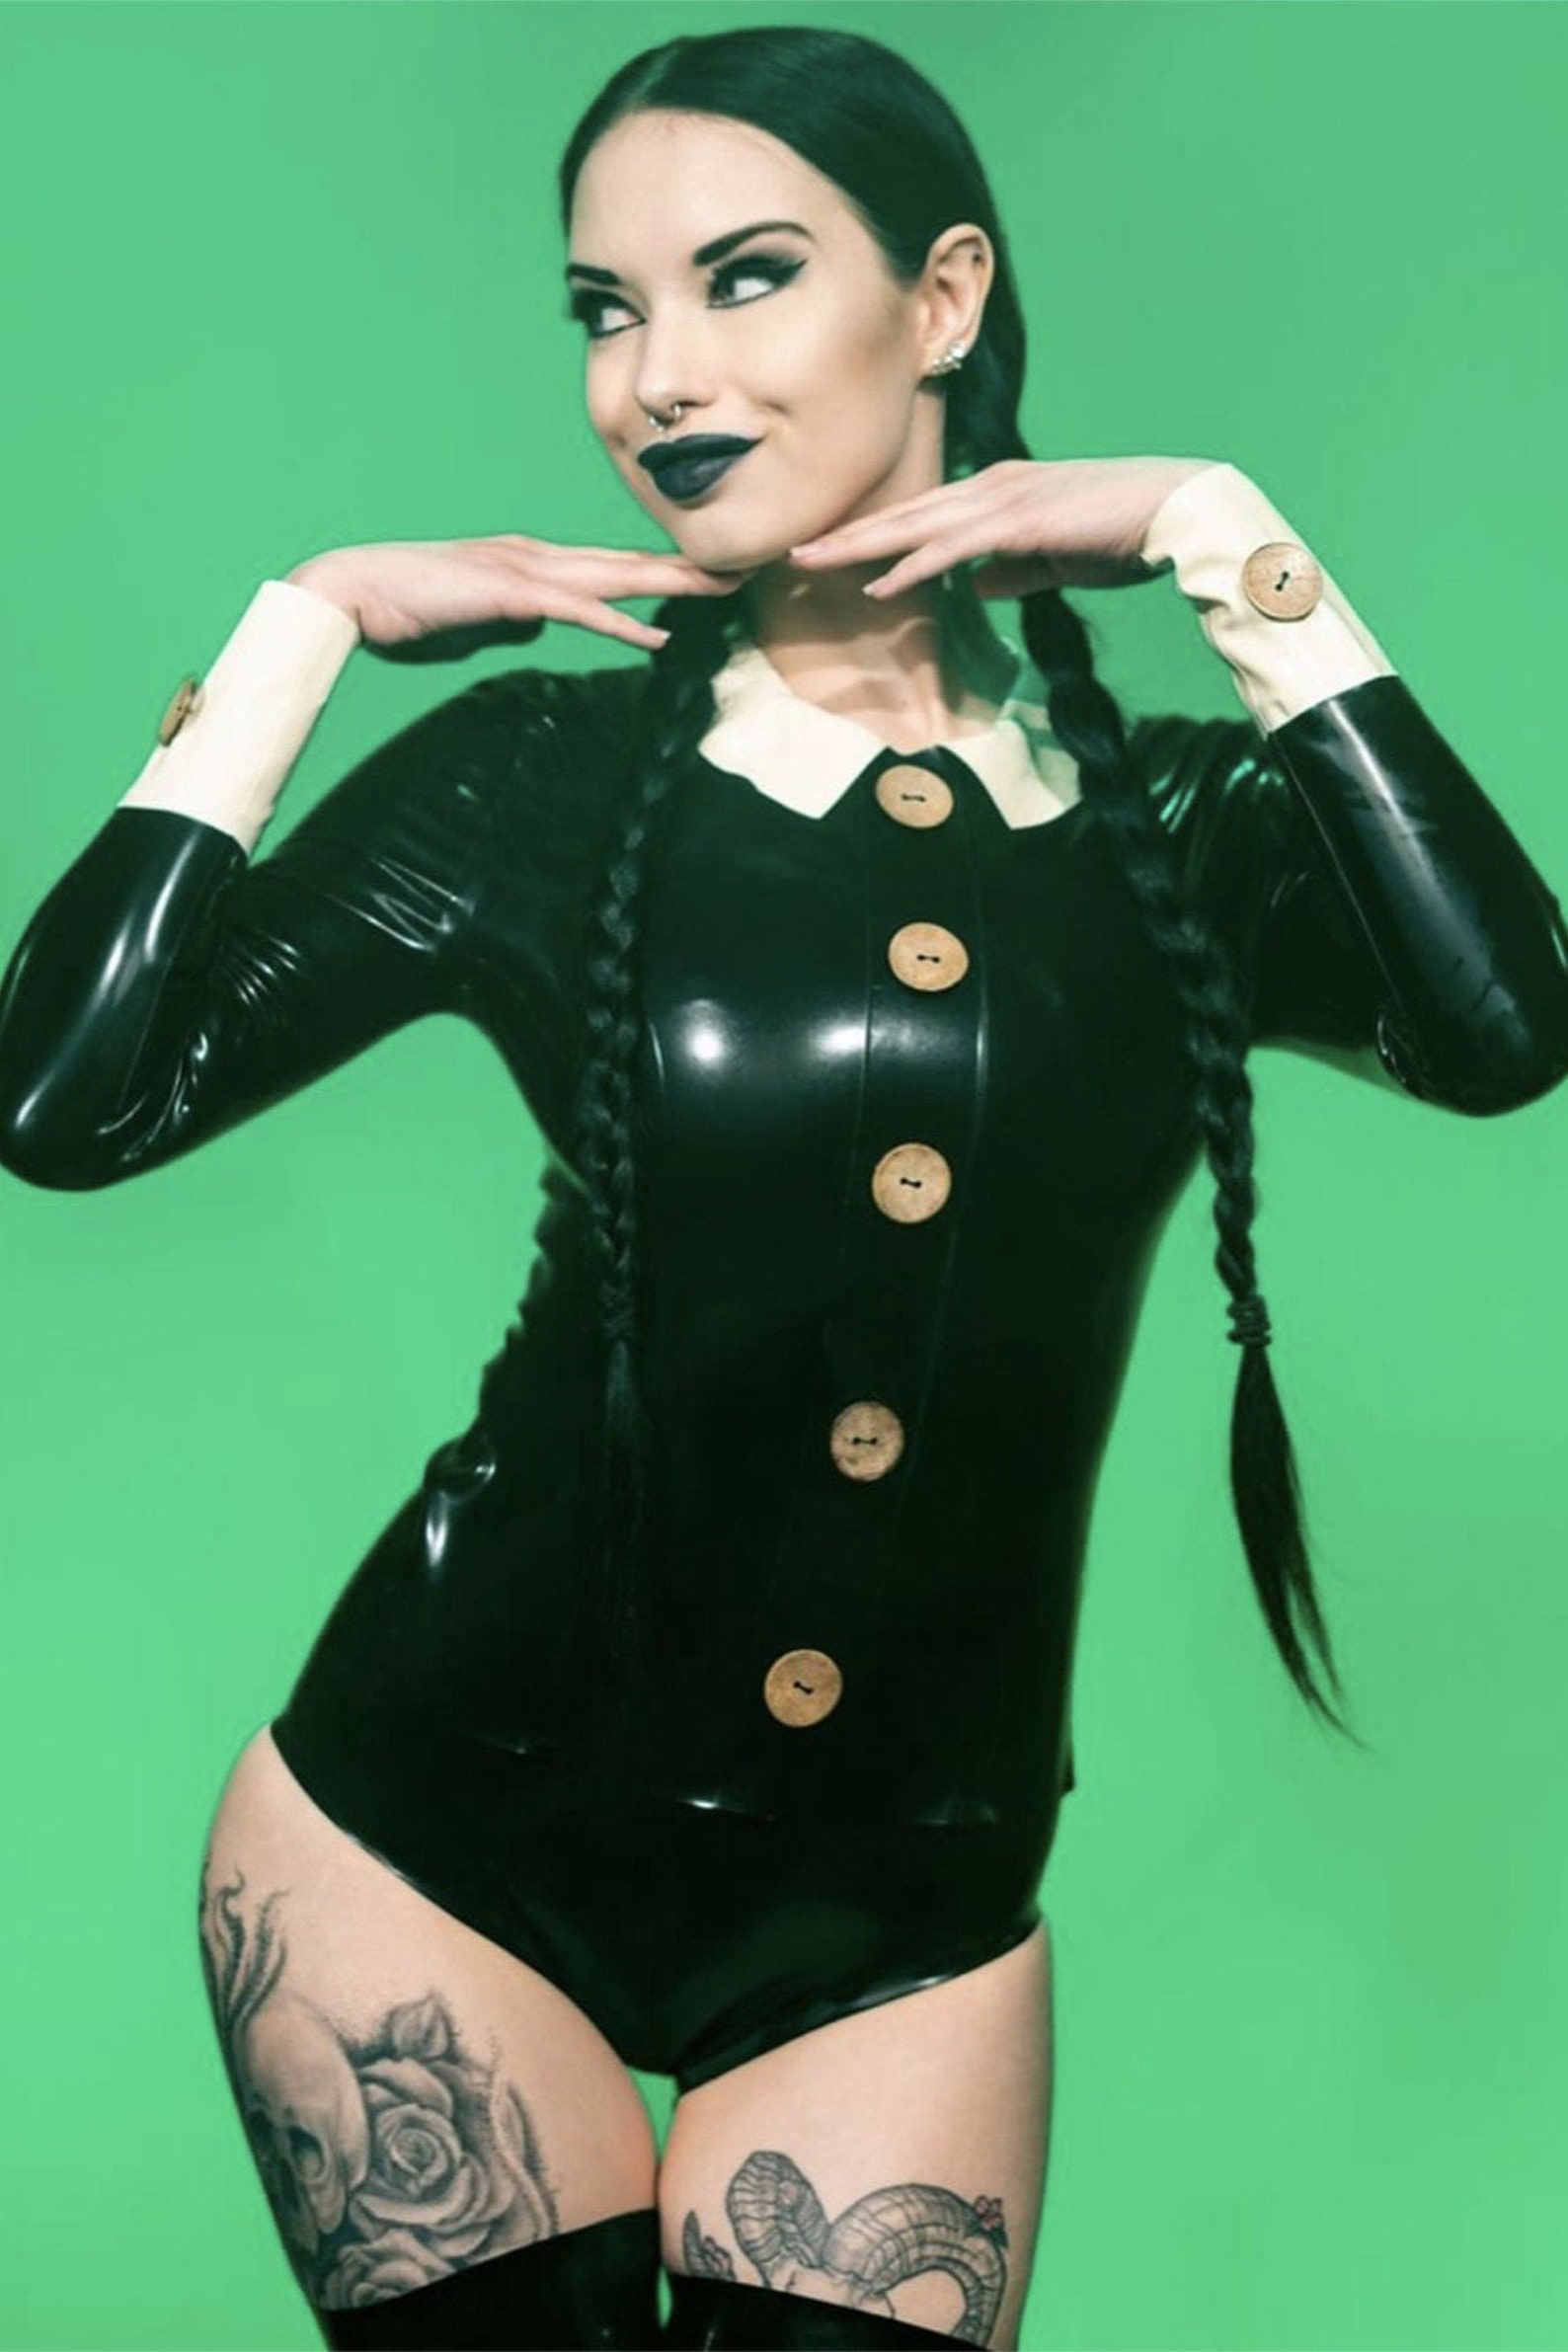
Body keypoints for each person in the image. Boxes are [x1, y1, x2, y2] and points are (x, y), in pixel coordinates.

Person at [3, 24, 1567, 2352]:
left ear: (941, 299)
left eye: (742, 277)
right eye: (603, 309)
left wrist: (1223, 539)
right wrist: (299, 624)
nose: (656, 376)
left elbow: (1502, 1021)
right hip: (431, 1842)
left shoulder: (1178, 834)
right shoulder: (533, 782)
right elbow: (67, 1098)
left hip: (901, 1923)